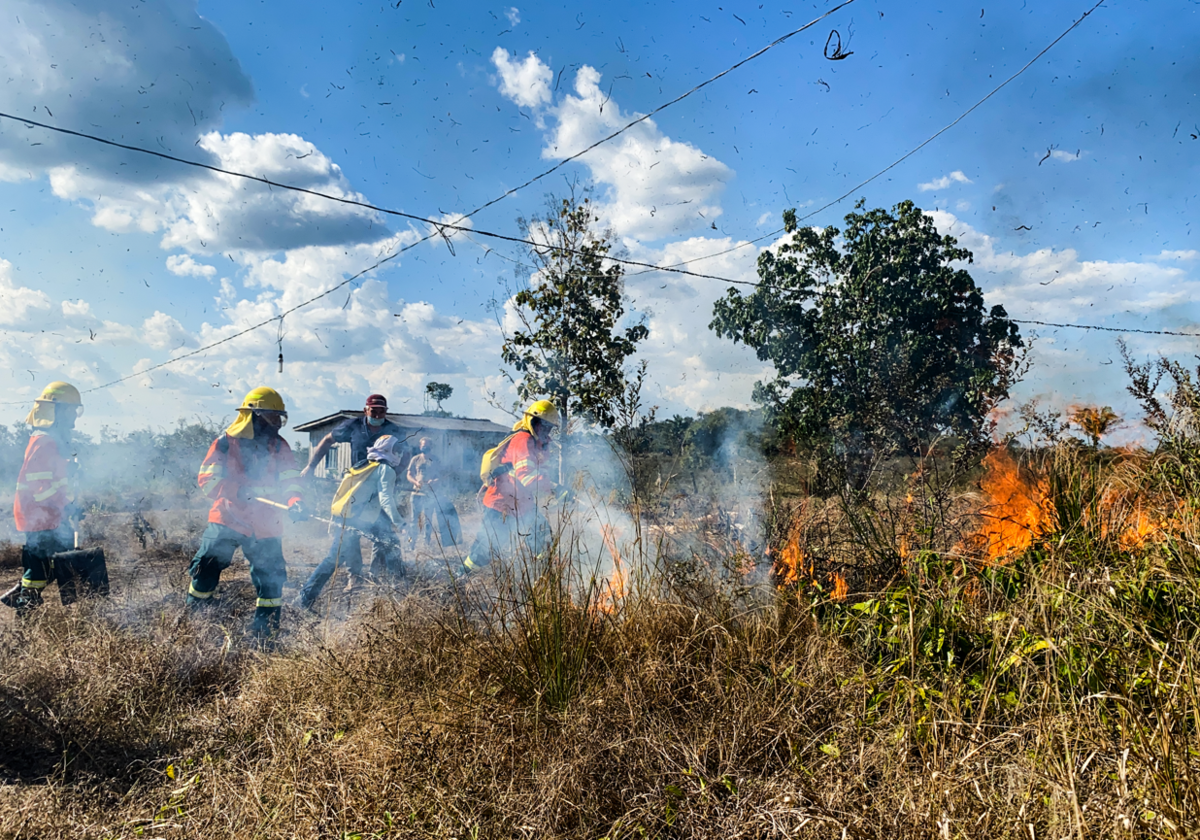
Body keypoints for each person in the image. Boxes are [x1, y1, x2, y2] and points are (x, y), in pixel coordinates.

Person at [186, 387, 306, 641]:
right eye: (272, 417)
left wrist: (296, 501)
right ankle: (194, 625)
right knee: (206, 568)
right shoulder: (225, 442)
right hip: (227, 517)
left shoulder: (279, 445)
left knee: (271, 581)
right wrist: (237, 491)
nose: (276, 423)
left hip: (266, 524)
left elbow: (291, 480)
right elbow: (207, 479)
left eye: (279, 418)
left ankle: (265, 637)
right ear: (254, 415)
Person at [2, 382, 85, 614]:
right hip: (39, 516)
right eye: (71, 411)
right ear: (57, 411)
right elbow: (41, 485)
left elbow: (52, 476)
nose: (74, 419)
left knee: (53, 562)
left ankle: (24, 598)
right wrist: (66, 507)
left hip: (46, 515)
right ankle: (23, 604)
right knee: (45, 567)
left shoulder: (50, 440)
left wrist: (69, 468)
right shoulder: (44, 441)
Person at [297, 434, 407, 609]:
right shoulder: (386, 470)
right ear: (388, 450)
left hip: (350, 517)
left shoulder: (364, 465)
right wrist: (401, 523)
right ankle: (304, 598)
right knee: (335, 558)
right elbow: (385, 499)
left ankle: (400, 589)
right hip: (355, 520)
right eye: (397, 450)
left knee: (390, 542)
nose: (400, 454)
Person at [462, 399, 559, 574]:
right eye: (543, 425)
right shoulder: (523, 440)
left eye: (549, 427)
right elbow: (527, 475)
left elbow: (538, 472)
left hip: (523, 504)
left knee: (542, 537)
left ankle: (547, 578)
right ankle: (461, 575)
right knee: (487, 550)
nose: (546, 430)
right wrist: (555, 488)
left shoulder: (538, 444)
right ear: (533, 422)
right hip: (502, 505)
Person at [300, 394, 407, 480]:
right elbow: (328, 440)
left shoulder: (394, 431)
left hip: (383, 481)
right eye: (373, 412)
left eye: (381, 412)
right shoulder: (353, 426)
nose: (377, 416)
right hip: (357, 480)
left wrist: (395, 474)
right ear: (365, 411)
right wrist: (311, 466)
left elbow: (407, 453)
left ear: (386, 411)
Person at [406, 436, 460, 549]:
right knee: (412, 520)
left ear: (431, 446)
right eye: (422, 445)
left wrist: (435, 481)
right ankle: (411, 543)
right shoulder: (415, 459)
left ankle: (426, 544)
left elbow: (442, 475)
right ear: (420, 446)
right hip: (416, 494)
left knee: (427, 521)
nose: (424, 447)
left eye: (427, 445)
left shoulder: (436, 459)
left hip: (429, 495)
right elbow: (409, 474)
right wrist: (415, 482)